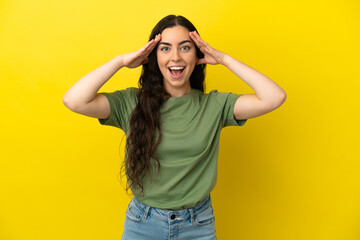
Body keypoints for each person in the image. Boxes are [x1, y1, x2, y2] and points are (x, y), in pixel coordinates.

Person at [63, 15, 286, 240]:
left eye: (185, 47)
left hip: (198, 225)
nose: (176, 57)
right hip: (142, 224)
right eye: (165, 48)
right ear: (153, 56)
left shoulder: (214, 106)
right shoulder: (132, 103)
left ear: (197, 55)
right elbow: (74, 100)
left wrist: (224, 59)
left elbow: (274, 97)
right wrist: (120, 61)